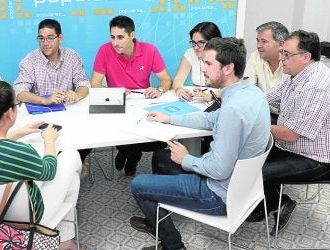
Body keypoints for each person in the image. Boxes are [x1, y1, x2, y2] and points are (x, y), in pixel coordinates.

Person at [129, 37, 271, 250]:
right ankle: (169, 204)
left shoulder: (233, 110)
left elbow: (219, 170)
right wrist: (170, 118)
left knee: (138, 185)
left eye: (208, 63)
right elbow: (210, 119)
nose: (202, 69)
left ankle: (173, 245)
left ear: (228, 68)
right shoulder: (251, 93)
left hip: (217, 193)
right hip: (245, 187)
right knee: (164, 159)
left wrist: (186, 159)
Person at [0, 80, 83, 250]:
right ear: (10, 114)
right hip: (26, 218)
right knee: (71, 157)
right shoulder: (19, 152)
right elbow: (49, 171)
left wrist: (19, 132)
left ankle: (66, 240)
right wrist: (49, 141)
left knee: (70, 177)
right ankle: (65, 241)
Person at [247, 30, 330, 236]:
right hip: (297, 143)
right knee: (248, 152)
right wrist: (238, 100)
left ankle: (277, 203)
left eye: (287, 54)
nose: (281, 58)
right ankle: (272, 202)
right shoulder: (297, 74)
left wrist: (250, 126)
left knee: (252, 170)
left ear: (305, 57)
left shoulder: (317, 86)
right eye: (282, 52)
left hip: (318, 159)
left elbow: (290, 135)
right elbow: (267, 97)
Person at [89, 15, 172, 176]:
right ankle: (133, 157)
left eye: (120, 37)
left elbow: (166, 80)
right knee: (115, 132)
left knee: (160, 143)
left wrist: (159, 90)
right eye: (112, 37)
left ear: (132, 36)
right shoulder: (104, 50)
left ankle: (129, 154)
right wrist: (114, 94)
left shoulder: (149, 50)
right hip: (116, 104)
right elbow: (95, 83)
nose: (115, 43)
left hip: (143, 104)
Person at [13, 19, 90, 106]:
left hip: (68, 109)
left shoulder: (72, 56)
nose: (45, 43)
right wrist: (45, 100)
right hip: (40, 112)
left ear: (60, 38)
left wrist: (77, 95)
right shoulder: (30, 60)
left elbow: (83, 83)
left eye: (50, 38)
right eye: (41, 38)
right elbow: (19, 91)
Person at [172, 21, 222, 102]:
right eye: (193, 43)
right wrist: (179, 90)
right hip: (197, 100)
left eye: (201, 43)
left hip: (219, 102)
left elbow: (233, 87)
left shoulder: (226, 56)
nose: (195, 47)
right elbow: (178, 79)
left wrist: (212, 96)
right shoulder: (191, 52)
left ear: (214, 42)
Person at [243, 21, 289, 93]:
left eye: (264, 41)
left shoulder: (291, 60)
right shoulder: (255, 56)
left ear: (280, 44)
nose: (258, 46)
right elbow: (247, 89)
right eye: (258, 41)